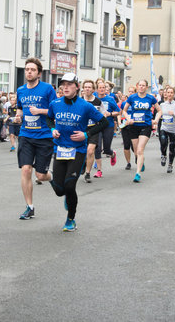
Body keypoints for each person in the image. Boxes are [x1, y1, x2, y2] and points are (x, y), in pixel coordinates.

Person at [47, 73, 108, 231]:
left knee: (69, 185)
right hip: (60, 149)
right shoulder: (55, 103)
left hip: (78, 150)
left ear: (77, 86)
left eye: (69, 84)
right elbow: (48, 118)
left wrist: (86, 134)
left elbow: (104, 122)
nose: (65, 87)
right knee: (60, 191)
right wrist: (52, 129)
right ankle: (66, 194)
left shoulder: (85, 106)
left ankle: (71, 219)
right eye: (63, 84)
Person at [14, 58, 57, 220]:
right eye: (27, 69)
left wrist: (40, 111)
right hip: (26, 135)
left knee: (40, 175)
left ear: (39, 73)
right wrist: (18, 117)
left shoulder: (47, 89)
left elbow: (55, 110)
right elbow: (20, 108)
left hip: (44, 136)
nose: (29, 72)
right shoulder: (21, 90)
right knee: (26, 169)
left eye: (32, 69)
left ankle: (50, 176)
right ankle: (29, 207)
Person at [123, 79, 162, 182]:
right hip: (134, 126)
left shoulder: (150, 98)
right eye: (140, 85)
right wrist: (128, 119)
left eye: (143, 85)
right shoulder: (132, 97)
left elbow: (159, 111)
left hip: (146, 126)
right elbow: (124, 110)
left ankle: (138, 173)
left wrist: (156, 120)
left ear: (146, 87)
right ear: (137, 86)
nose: (141, 87)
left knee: (140, 150)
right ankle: (140, 161)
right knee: (136, 151)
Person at [93, 80, 119, 178]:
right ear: (97, 89)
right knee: (97, 148)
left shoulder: (110, 99)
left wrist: (110, 114)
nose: (102, 89)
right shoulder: (93, 98)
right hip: (97, 125)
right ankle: (99, 171)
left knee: (106, 149)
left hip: (108, 125)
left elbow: (118, 111)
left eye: (104, 87)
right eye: (100, 87)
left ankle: (112, 154)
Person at [81, 80, 105, 183]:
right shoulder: (79, 101)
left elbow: (103, 114)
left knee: (90, 151)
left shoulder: (98, 102)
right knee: (82, 152)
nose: (87, 89)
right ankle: (83, 164)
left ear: (93, 89)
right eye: (85, 87)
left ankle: (87, 173)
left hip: (93, 129)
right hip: (81, 129)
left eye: (89, 87)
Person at [159, 86, 175, 173]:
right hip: (164, 127)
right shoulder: (162, 105)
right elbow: (159, 114)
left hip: (173, 130)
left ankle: (170, 164)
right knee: (163, 143)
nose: (169, 94)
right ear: (165, 94)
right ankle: (163, 155)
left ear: (173, 94)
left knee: (172, 148)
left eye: (171, 93)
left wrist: (174, 115)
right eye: (168, 92)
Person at [120, 85, 136, 170]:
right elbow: (121, 113)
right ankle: (128, 162)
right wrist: (120, 122)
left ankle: (138, 158)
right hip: (125, 126)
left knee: (134, 146)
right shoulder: (124, 103)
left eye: (132, 92)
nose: (130, 93)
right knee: (126, 145)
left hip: (135, 126)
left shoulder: (137, 103)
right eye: (129, 92)